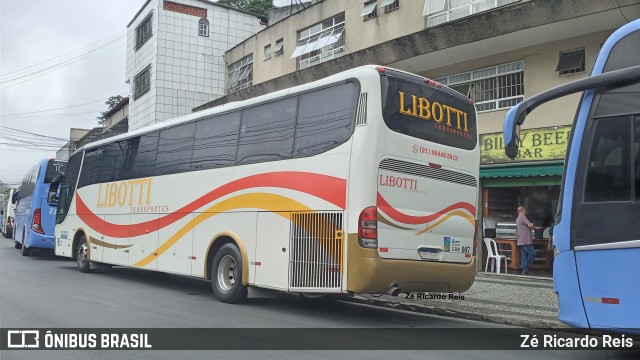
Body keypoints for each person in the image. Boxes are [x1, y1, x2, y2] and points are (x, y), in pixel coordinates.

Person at [516, 206, 536, 275]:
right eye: (525, 210)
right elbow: (529, 225)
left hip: (520, 239)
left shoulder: (518, 218)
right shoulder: (522, 216)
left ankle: (524, 270)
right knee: (532, 252)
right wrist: (533, 225)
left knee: (523, 255)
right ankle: (526, 266)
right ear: (523, 210)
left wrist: (534, 227)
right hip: (525, 239)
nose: (526, 211)